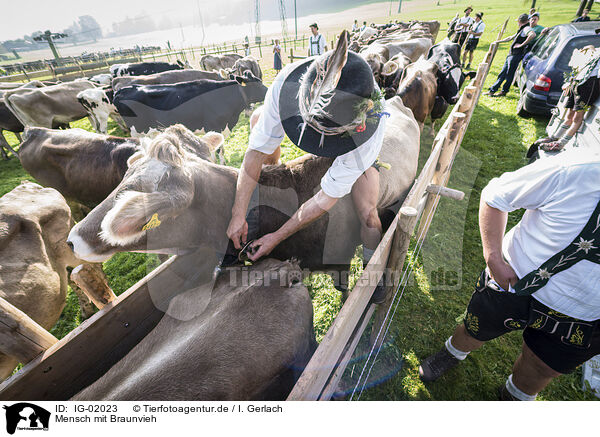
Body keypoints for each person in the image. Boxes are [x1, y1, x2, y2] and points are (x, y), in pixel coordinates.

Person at [418, 148, 600, 401]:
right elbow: (496, 196)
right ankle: (453, 353)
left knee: (544, 367)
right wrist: (493, 257)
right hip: (516, 285)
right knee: (475, 328)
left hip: (588, 316)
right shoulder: (576, 171)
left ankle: (513, 397)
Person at [226, 31, 389, 303]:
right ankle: (272, 178)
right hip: (322, 124)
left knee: (369, 215)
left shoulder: (370, 128)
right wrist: (238, 213)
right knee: (258, 120)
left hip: (352, 148)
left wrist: (277, 237)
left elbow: (326, 197)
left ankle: (373, 271)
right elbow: (254, 153)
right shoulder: (285, 84)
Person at [535, 45, 600, 152]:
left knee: (577, 117)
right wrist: (570, 81)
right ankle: (554, 137)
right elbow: (581, 61)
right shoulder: (595, 50)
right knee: (569, 114)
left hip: (590, 84)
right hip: (577, 81)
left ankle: (561, 144)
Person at [486, 14, 536, 97]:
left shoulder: (526, 29)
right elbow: (510, 38)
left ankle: (503, 91)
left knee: (509, 74)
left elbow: (532, 35)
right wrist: (498, 41)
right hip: (512, 55)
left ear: (520, 21)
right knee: (503, 73)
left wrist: (521, 45)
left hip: (516, 55)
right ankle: (493, 89)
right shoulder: (522, 29)